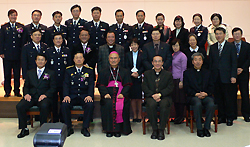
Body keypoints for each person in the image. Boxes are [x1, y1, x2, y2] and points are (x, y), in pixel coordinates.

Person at [16, 53, 56, 138]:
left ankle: (43, 128)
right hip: (32, 96)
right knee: (20, 106)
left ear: (45, 61)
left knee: (44, 106)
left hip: (44, 97)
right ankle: (24, 129)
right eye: (38, 60)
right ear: (35, 61)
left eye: (42, 60)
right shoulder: (30, 72)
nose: (40, 61)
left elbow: (53, 88)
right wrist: (26, 94)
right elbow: (26, 86)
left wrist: (45, 95)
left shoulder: (51, 73)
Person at [97, 51, 132, 137]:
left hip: (121, 95)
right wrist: (105, 94)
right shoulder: (103, 71)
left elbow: (128, 85)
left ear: (119, 59)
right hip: (108, 95)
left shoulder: (125, 71)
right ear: (108, 60)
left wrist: (123, 94)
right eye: (111, 58)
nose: (113, 60)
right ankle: (109, 129)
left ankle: (119, 129)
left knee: (122, 103)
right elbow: (100, 85)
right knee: (108, 104)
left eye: (115, 58)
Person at [61, 52, 94, 137]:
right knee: (64, 105)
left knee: (90, 104)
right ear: (73, 60)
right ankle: (68, 127)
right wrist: (66, 96)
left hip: (84, 95)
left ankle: (85, 127)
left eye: (80, 58)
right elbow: (66, 84)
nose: (79, 59)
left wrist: (90, 95)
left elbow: (91, 85)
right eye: (77, 58)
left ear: (83, 59)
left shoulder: (89, 70)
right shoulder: (69, 70)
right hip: (72, 96)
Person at [209, 27, 237, 126]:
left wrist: (233, 75)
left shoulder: (231, 46)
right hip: (216, 77)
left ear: (224, 35)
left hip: (227, 77)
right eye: (216, 34)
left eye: (220, 34)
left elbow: (234, 62)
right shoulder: (212, 47)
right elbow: (211, 63)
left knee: (228, 98)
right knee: (218, 98)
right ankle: (221, 117)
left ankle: (230, 118)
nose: (218, 36)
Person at [141, 55, 174, 140]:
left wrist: (160, 95)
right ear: (152, 63)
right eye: (155, 61)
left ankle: (161, 130)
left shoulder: (168, 74)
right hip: (151, 96)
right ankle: (155, 129)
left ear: (162, 63)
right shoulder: (147, 74)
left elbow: (170, 88)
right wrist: (153, 95)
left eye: (159, 61)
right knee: (151, 104)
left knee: (164, 105)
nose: (157, 63)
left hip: (164, 97)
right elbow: (144, 87)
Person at [183, 52, 215, 137]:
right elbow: (186, 88)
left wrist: (206, 93)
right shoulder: (187, 73)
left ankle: (207, 128)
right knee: (197, 104)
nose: (197, 62)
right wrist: (196, 94)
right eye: (195, 60)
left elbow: (212, 86)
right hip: (193, 96)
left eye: (199, 60)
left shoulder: (208, 72)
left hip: (206, 95)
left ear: (202, 61)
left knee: (211, 104)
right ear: (192, 62)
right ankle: (199, 128)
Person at [45, 32, 72, 122]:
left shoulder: (67, 50)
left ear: (63, 40)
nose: (58, 40)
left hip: (64, 80)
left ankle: (63, 118)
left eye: (60, 38)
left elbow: (69, 66)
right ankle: (55, 118)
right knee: (53, 101)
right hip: (53, 81)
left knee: (64, 100)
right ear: (53, 40)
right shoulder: (48, 51)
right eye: (56, 39)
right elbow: (47, 67)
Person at [0, 9, 24, 97]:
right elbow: (1, 40)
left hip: (18, 55)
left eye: (15, 15)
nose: (13, 17)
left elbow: (22, 41)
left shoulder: (21, 27)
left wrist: (23, 53)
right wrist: (1, 52)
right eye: (12, 15)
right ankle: (7, 91)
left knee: (17, 74)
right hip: (7, 55)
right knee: (7, 74)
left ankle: (17, 91)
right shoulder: (4, 27)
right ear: (9, 16)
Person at [232, 27, 250, 122]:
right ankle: (233, 114)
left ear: (241, 34)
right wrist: (235, 69)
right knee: (232, 94)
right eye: (235, 34)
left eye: (238, 34)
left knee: (245, 93)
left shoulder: (247, 46)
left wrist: (242, 68)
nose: (237, 35)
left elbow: (249, 59)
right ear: (232, 35)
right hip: (233, 73)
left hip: (244, 73)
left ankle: (246, 114)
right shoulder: (230, 46)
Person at [125, 38, 144, 122]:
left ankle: (139, 115)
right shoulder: (127, 55)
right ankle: (134, 115)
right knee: (132, 97)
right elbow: (125, 66)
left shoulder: (142, 54)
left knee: (139, 97)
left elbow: (144, 65)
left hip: (139, 78)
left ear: (138, 45)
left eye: (135, 44)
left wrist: (138, 73)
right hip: (130, 77)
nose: (134, 46)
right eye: (132, 45)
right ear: (130, 46)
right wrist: (131, 73)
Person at [171, 39, 187, 124]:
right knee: (176, 100)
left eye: (177, 45)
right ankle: (177, 116)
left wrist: (182, 81)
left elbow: (184, 69)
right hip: (173, 80)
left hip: (179, 80)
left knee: (180, 100)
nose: (175, 47)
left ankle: (180, 117)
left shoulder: (182, 56)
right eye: (173, 46)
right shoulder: (173, 55)